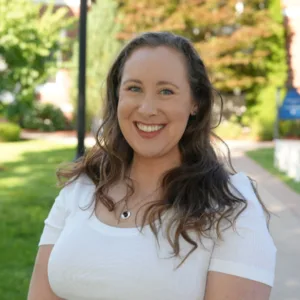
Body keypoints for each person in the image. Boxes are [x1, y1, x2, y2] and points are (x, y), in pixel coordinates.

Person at [28, 31, 277, 300]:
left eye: (166, 91)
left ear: (195, 102)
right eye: (134, 88)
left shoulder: (230, 208)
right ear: (117, 96)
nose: (147, 108)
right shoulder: (81, 188)